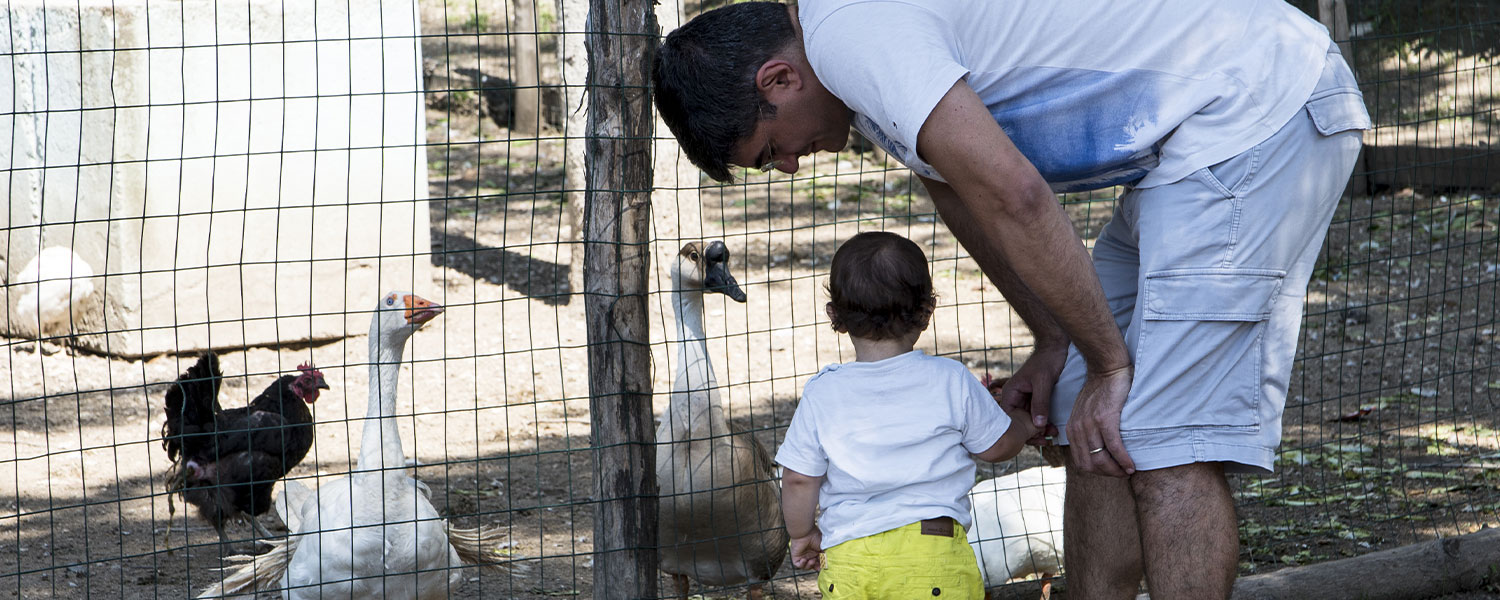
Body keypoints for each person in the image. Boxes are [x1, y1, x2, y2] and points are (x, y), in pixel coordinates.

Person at [654, 2, 1371, 599]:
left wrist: (1110, 364)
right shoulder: (853, 69)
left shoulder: (849, 35)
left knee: (1166, 437)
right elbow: (961, 189)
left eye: (771, 149)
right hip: (1194, 136)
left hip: (1257, 104)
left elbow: (1018, 194)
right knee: (1081, 418)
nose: (789, 163)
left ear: (778, 78)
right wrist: (1056, 342)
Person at [775, 231, 1038, 599]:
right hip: (934, 555)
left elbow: (799, 479)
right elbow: (995, 447)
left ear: (835, 316)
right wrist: (1024, 424)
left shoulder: (823, 392)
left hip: (852, 560)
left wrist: (802, 534)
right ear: (927, 312)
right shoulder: (951, 380)